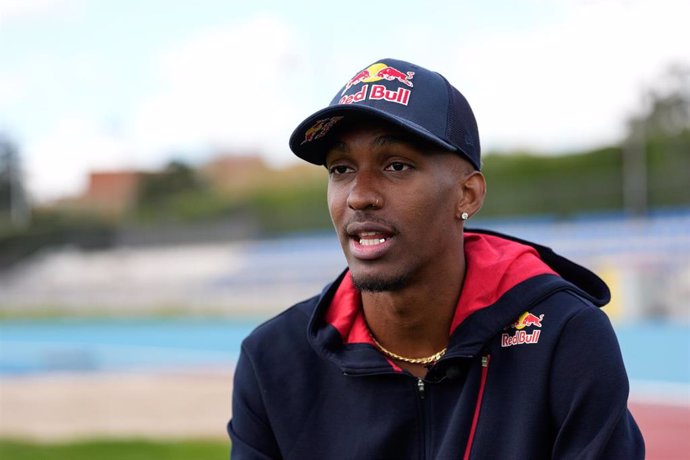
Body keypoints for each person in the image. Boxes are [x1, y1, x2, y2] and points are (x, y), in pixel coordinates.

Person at [227, 58, 645, 459]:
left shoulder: (563, 336)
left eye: (396, 165)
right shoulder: (272, 362)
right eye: (340, 169)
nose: (359, 195)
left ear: (468, 194)